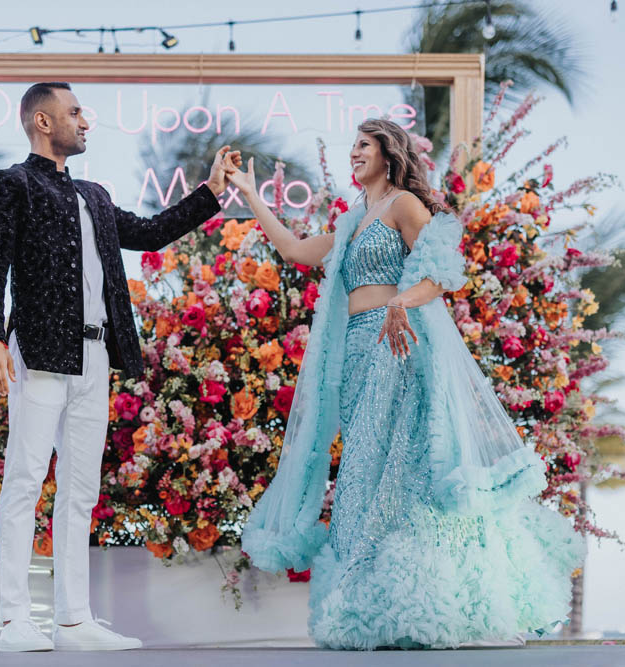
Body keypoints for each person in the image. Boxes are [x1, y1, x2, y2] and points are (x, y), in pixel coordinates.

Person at [233, 118, 585, 649]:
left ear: (388, 154)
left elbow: (441, 271)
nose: (354, 154)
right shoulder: (355, 219)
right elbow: (297, 251)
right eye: (351, 146)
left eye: (363, 146)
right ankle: (381, 607)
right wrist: (248, 194)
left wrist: (400, 301)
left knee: (398, 471)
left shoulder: (402, 205)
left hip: (395, 347)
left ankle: (435, 599)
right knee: (363, 474)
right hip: (354, 352)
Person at [0, 82, 239, 652]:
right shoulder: (11, 184)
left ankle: (73, 619)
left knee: (80, 490)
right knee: (24, 480)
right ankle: (13, 619)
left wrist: (211, 191)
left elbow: (149, 233)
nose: (85, 121)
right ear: (43, 122)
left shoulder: (92, 194)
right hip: (39, 352)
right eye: (74, 113)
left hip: (96, 355)